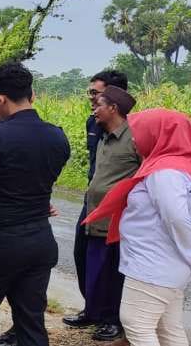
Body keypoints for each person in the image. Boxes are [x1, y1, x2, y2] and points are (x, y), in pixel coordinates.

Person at [0, 62, 71, 346]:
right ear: (31, 94)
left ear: (0, 98)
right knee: (31, 321)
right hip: (39, 240)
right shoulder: (58, 136)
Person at [84, 109, 191, 346]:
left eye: (139, 133)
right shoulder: (181, 167)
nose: (134, 139)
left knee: (137, 324)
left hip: (154, 266)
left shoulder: (164, 172)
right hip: (167, 266)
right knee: (168, 329)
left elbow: (176, 217)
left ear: (158, 135)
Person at [64, 70, 128, 331]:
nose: (90, 99)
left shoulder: (133, 129)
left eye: (95, 93)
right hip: (91, 202)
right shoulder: (93, 123)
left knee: (113, 263)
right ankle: (92, 309)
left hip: (118, 209)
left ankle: (112, 319)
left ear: (114, 99)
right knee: (83, 255)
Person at [81, 86, 139, 342]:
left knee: (113, 273)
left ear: (113, 108)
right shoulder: (104, 136)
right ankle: (96, 313)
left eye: (99, 105)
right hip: (96, 216)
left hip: (117, 221)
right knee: (95, 270)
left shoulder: (135, 138)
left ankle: (113, 321)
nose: (94, 109)